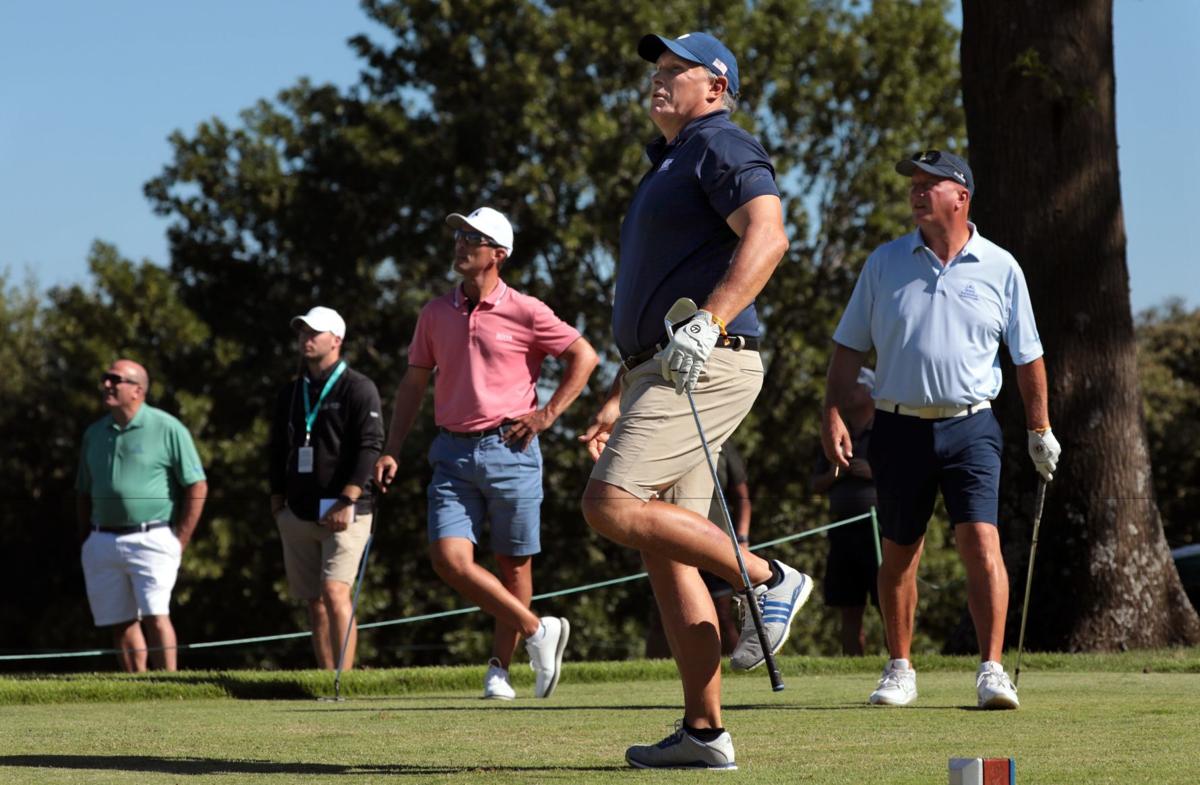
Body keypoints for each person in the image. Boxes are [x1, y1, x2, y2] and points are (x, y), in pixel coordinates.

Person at [579, 32, 810, 770]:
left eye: (676, 70)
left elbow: (769, 236)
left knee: (610, 504)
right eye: (656, 69)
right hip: (660, 369)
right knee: (665, 551)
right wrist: (623, 392)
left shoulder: (720, 142)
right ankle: (705, 733)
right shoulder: (672, 160)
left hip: (706, 364)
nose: (659, 79)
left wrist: (708, 323)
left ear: (716, 85)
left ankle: (771, 578)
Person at [820, 149, 1062, 710]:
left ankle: (992, 670)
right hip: (898, 428)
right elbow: (848, 347)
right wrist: (832, 412)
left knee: (981, 542)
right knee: (900, 551)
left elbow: (1028, 358)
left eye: (931, 184)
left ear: (962, 196)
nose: (917, 192)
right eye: (914, 183)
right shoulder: (885, 263)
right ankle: (900, 667)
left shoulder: (1001, 267)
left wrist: (1039, 428)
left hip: (972, 426)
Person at [374, 206, 598, 700]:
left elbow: (585, 356)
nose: (460, 244)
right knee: (449, 560)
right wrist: (392, 449)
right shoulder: (435, 312)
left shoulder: (526, 310)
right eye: (458, 235)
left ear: (498, 255)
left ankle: (500, 668)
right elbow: (413, 384)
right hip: (451, 452)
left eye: (472, 238)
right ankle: (539, 631)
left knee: (513, 566)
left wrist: (547, 415)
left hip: (511, 449)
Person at [269, 306, 384, 670]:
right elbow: (276, 448)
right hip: (299, 510)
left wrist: (347, 497)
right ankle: (325, 676)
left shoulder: (358, 387)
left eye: (313, 333)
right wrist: (277, 503)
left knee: (335, 591)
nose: (305, 339)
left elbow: (370, 446)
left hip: (347, 510)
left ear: (336, 340)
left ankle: (345, 680)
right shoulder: (291, 392)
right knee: (313, 601)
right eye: (302, 332)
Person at [76, 359, 207, 672]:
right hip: (102, 538)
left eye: (115, 379)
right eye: (105, 379)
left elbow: (197, 484)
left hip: (153, 536)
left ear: (137, 390)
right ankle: (137, 692)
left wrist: (181, 539)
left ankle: (170, 690)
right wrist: (86, 539)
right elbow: (82, 490)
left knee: (155, 615)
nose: (107, 384)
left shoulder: (167, 427)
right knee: (119, 622)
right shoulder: (95, 433)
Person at [646, 440, 753, 658]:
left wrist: (742, 537)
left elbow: (742, 497)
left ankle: (737, 664)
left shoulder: (724, 445)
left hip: (715, 541)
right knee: (665, 610)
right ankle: (655, 667)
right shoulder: (666, 439)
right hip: (673, 539)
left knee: (722, 613)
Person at [811, 367, 880, 656]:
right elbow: (815, 484)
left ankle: (899, 662)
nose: (848, 393)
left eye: (856, 386)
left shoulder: (887, 431)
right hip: (842, 531)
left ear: (871, 392)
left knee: (889, 600)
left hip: (880, 531)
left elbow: (909, 475)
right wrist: (834, 475)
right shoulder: (834, 433)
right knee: (848, 606)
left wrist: (873, 472)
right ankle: (854, 662)